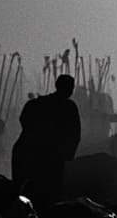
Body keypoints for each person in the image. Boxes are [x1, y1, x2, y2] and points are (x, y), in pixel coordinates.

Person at [11, 74, 81, 208]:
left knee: (21, 192)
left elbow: (24, 122)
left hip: (27, 152)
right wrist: (67, 156)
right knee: (48, 196)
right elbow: (75, 134)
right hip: (48, 157)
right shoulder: (68, 107)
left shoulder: (35, 104)